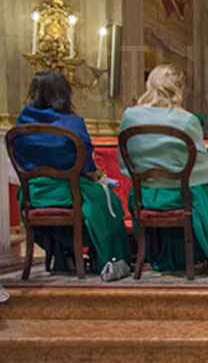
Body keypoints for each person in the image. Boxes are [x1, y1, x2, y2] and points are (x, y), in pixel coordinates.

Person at [119, 64, 208, 276]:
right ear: (179, 88)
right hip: (181, 196)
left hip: (145, 195)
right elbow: (200, 164)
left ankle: (167, 257)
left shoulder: (130, 116)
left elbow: (125, 157)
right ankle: (206, 257)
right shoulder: (187, 120)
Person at [12, 71, 130, 273]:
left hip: (34, 195)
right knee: (109, 201)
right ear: (64, 93)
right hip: (69, 192)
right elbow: (86, 166)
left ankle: (64, 254)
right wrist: (97, 176)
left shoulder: (22, 123)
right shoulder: (72, 123)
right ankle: (103, 257)